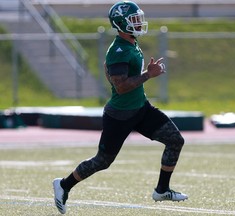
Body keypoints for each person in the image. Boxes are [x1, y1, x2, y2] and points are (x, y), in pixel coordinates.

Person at [52, 1, 188, 214]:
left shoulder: (131, 43)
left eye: (138, 18)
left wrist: (146, 75)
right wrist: (147, 75)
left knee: (175, 140)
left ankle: (162, 189)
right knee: (102, 161)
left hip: (141, 108)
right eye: (134, 19)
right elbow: (122, 86)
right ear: (120, 23)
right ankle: (63, 185)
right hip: (120, 115)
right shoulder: (118, 50)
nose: (139, 22)